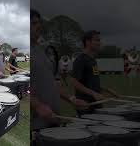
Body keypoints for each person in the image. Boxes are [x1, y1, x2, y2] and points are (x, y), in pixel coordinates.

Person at [31, 9, 88, 145]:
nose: (38, 26)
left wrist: (72, 99)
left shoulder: (43, 51)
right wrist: (38, 106)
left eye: (38, 23)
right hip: (36, 125)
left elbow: (54, 83)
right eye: (33, 23)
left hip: (54, 119)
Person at [70, 30, 119, 116]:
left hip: (97, 103)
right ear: (88, 42)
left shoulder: (93, 60)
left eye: (99, 40)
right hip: (85, 105)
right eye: (97, 40)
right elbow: (74, 82)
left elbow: (91, 82)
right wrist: (94, 93)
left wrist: (107, 90)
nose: (99, 43)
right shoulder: (80, 60)